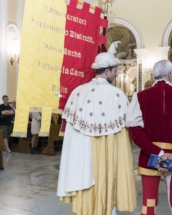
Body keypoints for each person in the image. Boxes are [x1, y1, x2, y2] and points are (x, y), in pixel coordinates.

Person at [57, 51, 136, 215]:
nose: (116, 75)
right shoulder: (116, 94)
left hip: (82, 159)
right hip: (108, 159)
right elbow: (123, 139)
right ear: (106, 71)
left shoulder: (78, 92)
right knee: (107, 190)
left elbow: (71, 136)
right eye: (114, 71)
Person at [126, 60, 172, 215]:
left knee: (149, 204)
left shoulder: (139, 97)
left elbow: (135, 133)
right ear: (170, 74)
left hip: (149, 157)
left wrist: (159, 154)